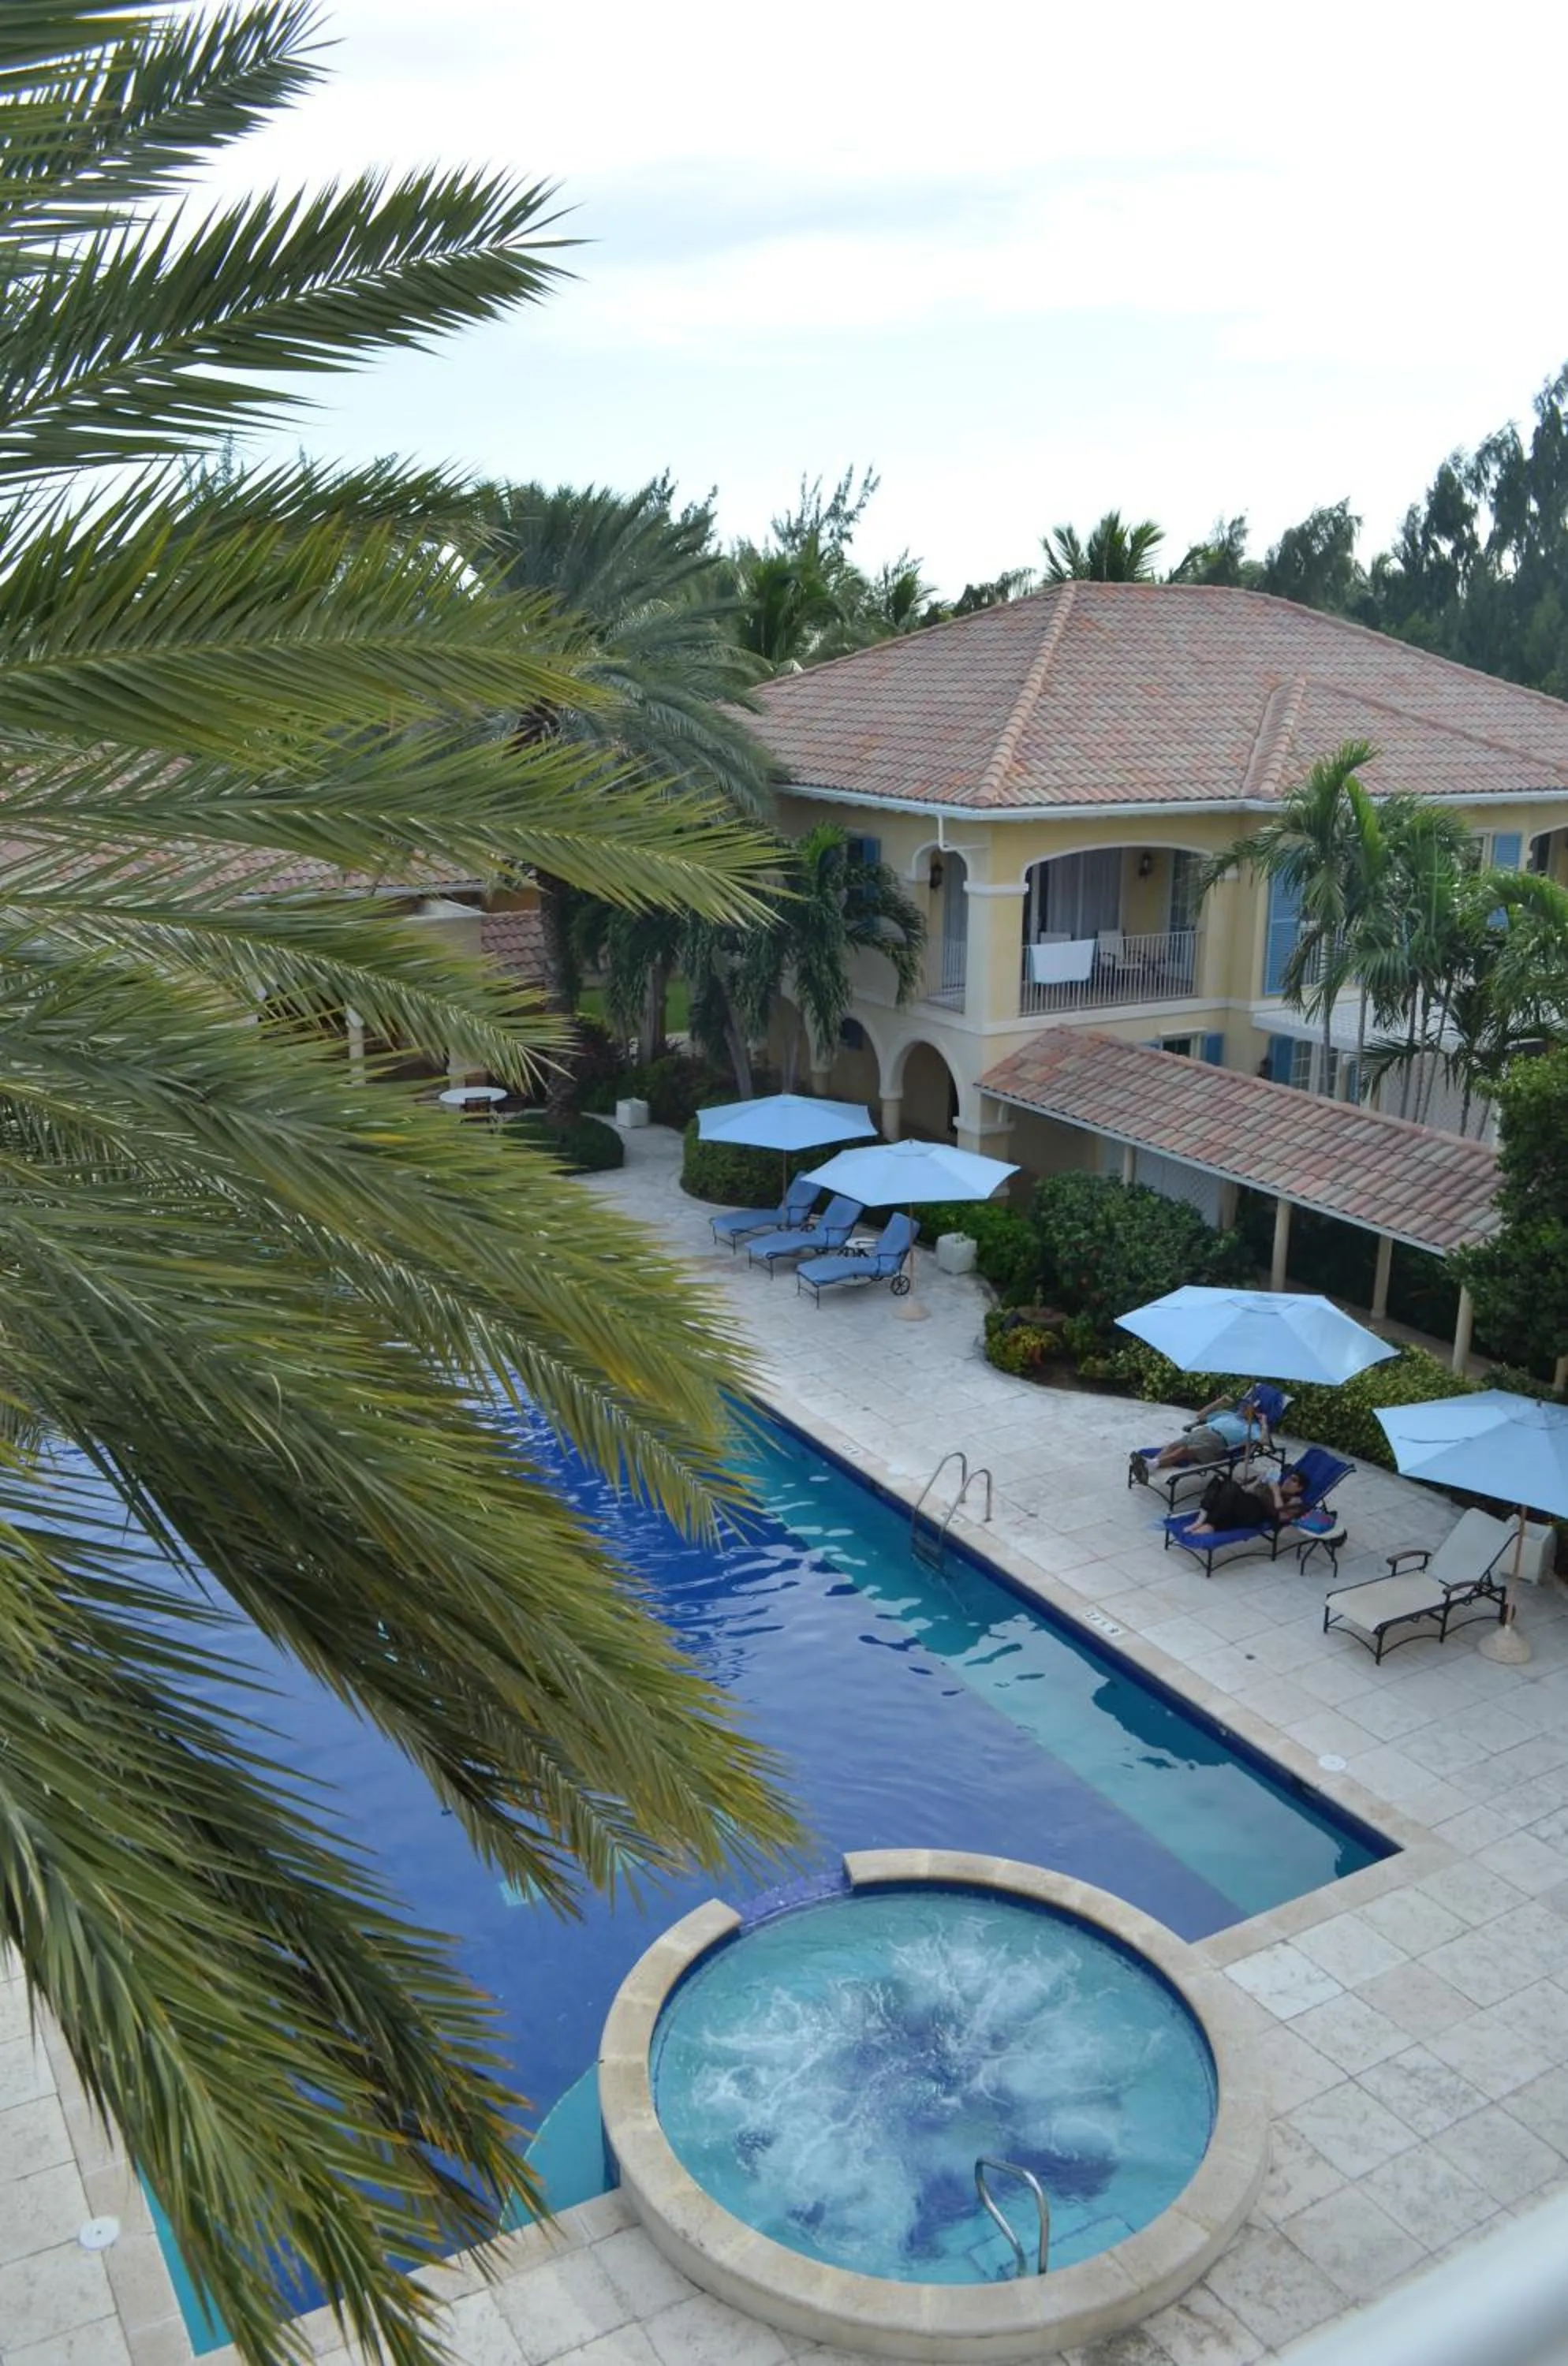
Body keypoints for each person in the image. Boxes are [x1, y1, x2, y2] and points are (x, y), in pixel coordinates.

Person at [1129, 1386, 1275, 1486]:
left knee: (1183, 1451)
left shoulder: (1252, 1427)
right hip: (1202, 1432)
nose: (1243, 1407)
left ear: (1255, 1412)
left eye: (1247, 1406)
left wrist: (1264, 1423)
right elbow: (1200, 1416)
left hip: (1216, 1442)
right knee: (1172, 1446)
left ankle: (1149, 1465)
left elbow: (1264, 1442)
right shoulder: (1228, 1414)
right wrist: (1219, 1401)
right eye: (1243, 1404)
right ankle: (1150, 1466)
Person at [1184, 1468, 1306, 1538]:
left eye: (1294, 1480)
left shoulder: (1296, 1500)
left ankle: (1205, 1521)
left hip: (1256, 1512)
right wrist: (1258, 1481)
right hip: (1245, 1503)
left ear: (1300, 1488)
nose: (1288, 1481)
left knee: (1231, 1487)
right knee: (1219, 1479)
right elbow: (1247, 1490)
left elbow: (1281, 1514)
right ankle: (1205, 1521)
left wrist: (1276, 1492)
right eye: (1289, 1478)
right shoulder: (1273, 1483)